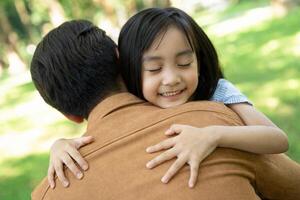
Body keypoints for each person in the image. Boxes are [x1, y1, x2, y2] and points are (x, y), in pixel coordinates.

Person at [30, 19, 300, 200]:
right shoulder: (209, 119)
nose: (170, 79)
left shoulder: (50, 190)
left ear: (69, 115)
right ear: (121, 60)